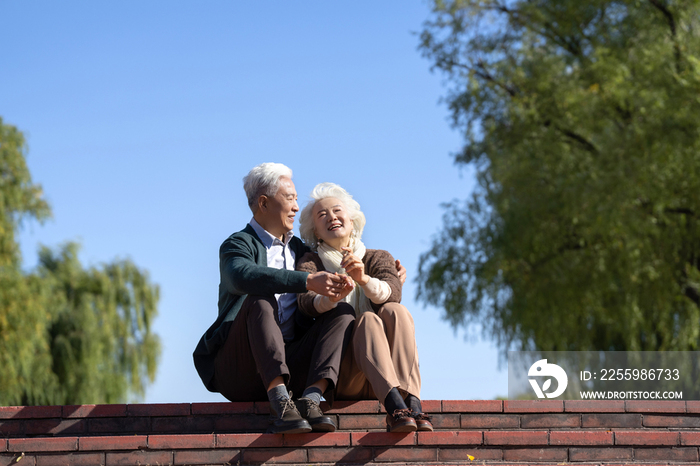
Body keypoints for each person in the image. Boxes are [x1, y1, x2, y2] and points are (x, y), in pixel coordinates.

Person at [193, 163, 357, 434]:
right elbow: (241, 276)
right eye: (289, 198)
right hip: (241, 369)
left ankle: (310, 400)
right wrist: (306, 281)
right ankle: (280, 402)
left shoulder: (302, 251)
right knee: (260, 298)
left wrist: (385, 275)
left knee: (342, 312)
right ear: (264, 202)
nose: (296, 207)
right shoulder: (237, 244)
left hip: (293, 363)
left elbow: (337, 248)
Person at [296, 182, 433, 433]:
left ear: (351, 219)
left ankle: (412, 401)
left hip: (391, 374)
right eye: (322, 215)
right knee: (367, 320)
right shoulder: (311, 262)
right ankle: (395, 408)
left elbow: (394, 292)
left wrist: (363, 279)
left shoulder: (378, 257)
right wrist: (332, 296)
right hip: (348, 375)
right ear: (315, 231)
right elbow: (305, 304)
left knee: (396, 311)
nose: (332, 217)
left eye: (337, 211)